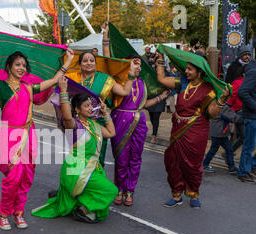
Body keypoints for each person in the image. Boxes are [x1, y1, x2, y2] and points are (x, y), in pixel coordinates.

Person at [0, 50, 75, 230]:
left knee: (26, 177)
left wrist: (69, 60)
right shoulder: (1, 86)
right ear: (9, 67)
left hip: (29, 135)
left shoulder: (28, 87)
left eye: (24, 65)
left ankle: (18, 212)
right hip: (10, 138)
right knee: (13, 178)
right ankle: (3, 213)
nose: (21, 68)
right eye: (17, 64)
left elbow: (53, 80)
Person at [32, 78, 118, 223]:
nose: (91, 108)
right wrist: (64, 91)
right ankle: (82, 209)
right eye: (86, 106)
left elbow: (111, 133)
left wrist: (105, 113)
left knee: (101, 200)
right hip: (76, 169)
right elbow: (66, 115)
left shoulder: (94, 124)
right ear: (77, 109)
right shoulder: (74, 125)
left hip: (91, 169)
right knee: (111, 191)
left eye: (91, 105)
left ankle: (66, 195)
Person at [156, 50, 230, 209]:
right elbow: (161, 79)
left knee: (193, 165)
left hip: (197, 132)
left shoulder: (208, 89)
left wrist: (222, 100)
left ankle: (193, 193)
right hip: (178, 130)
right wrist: (160, 60)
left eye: (190, 69)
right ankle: (176, 195)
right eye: (187, 68)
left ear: (199, 71)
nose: (187, 71)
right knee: (173, 161)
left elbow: (212, 113)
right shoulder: (182, 83)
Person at [65, 22, 138, 167]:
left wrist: (130, 76)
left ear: (96, 64)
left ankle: (93, 187)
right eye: (85, 61)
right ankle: (71, 188)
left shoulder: (105, 79)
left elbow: (124, 91)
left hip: (98, 125)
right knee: (75, 159)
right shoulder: (72, 77)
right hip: (77, 124)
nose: (89, 63)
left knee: (97, 160)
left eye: (92, 60)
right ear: (79, 64)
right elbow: (61, 91)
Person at [110, 54, 170, 206]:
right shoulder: (119, 81)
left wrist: (161, 97)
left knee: (135, 158)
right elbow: (109, 59)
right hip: (120, 120)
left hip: (139, 122)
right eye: (135, 64)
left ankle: (130, 191)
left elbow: (142, 104)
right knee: (121, 157)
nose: (138, 67)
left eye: (139, 65)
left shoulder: (142, 83)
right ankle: (119, 189)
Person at [202, 105, 241, 174]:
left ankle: (231, 167)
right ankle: (205, 164)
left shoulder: (217, 106)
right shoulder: (220, 107)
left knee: (228, 149)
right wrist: (241, 115)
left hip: (220, 133)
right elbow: (230, 118)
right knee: (214, 150)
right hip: (219, 133)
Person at [236, 58, 256, 183]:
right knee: (249, 145)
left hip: (253, 115)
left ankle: (252, 166)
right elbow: (242, 92)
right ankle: (243, 172)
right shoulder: (254, 71)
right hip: (252, 116)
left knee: (250, 145)